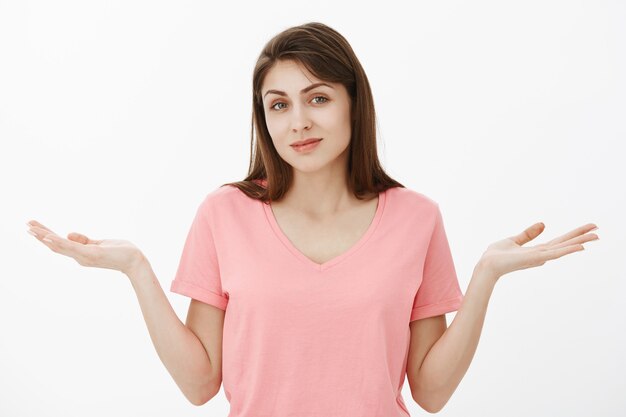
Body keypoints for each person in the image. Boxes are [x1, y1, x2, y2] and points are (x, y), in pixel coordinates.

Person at [25, 22, 599, 416]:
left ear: (354, 101)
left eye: (318, 97)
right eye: (278, 104)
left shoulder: (417, 218)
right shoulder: (225, 213)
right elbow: (201, 384)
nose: (298, 120)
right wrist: (135, 269)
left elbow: (430, 392)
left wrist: (485, 277)